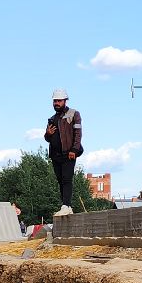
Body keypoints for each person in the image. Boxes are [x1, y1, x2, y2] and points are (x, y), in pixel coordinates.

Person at [44, 87, 82, 216]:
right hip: (56, 155)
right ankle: (65, 205)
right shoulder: (51, 119)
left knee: (67, 179)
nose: (56, 103)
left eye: (59, 101)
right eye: (55, 101)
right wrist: (47, 134)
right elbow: (47, 138)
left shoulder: (73, 114)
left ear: (65, 100)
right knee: (60, 180)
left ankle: (66, 205)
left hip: (69, 153)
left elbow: (78, 133)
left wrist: (74, 149)